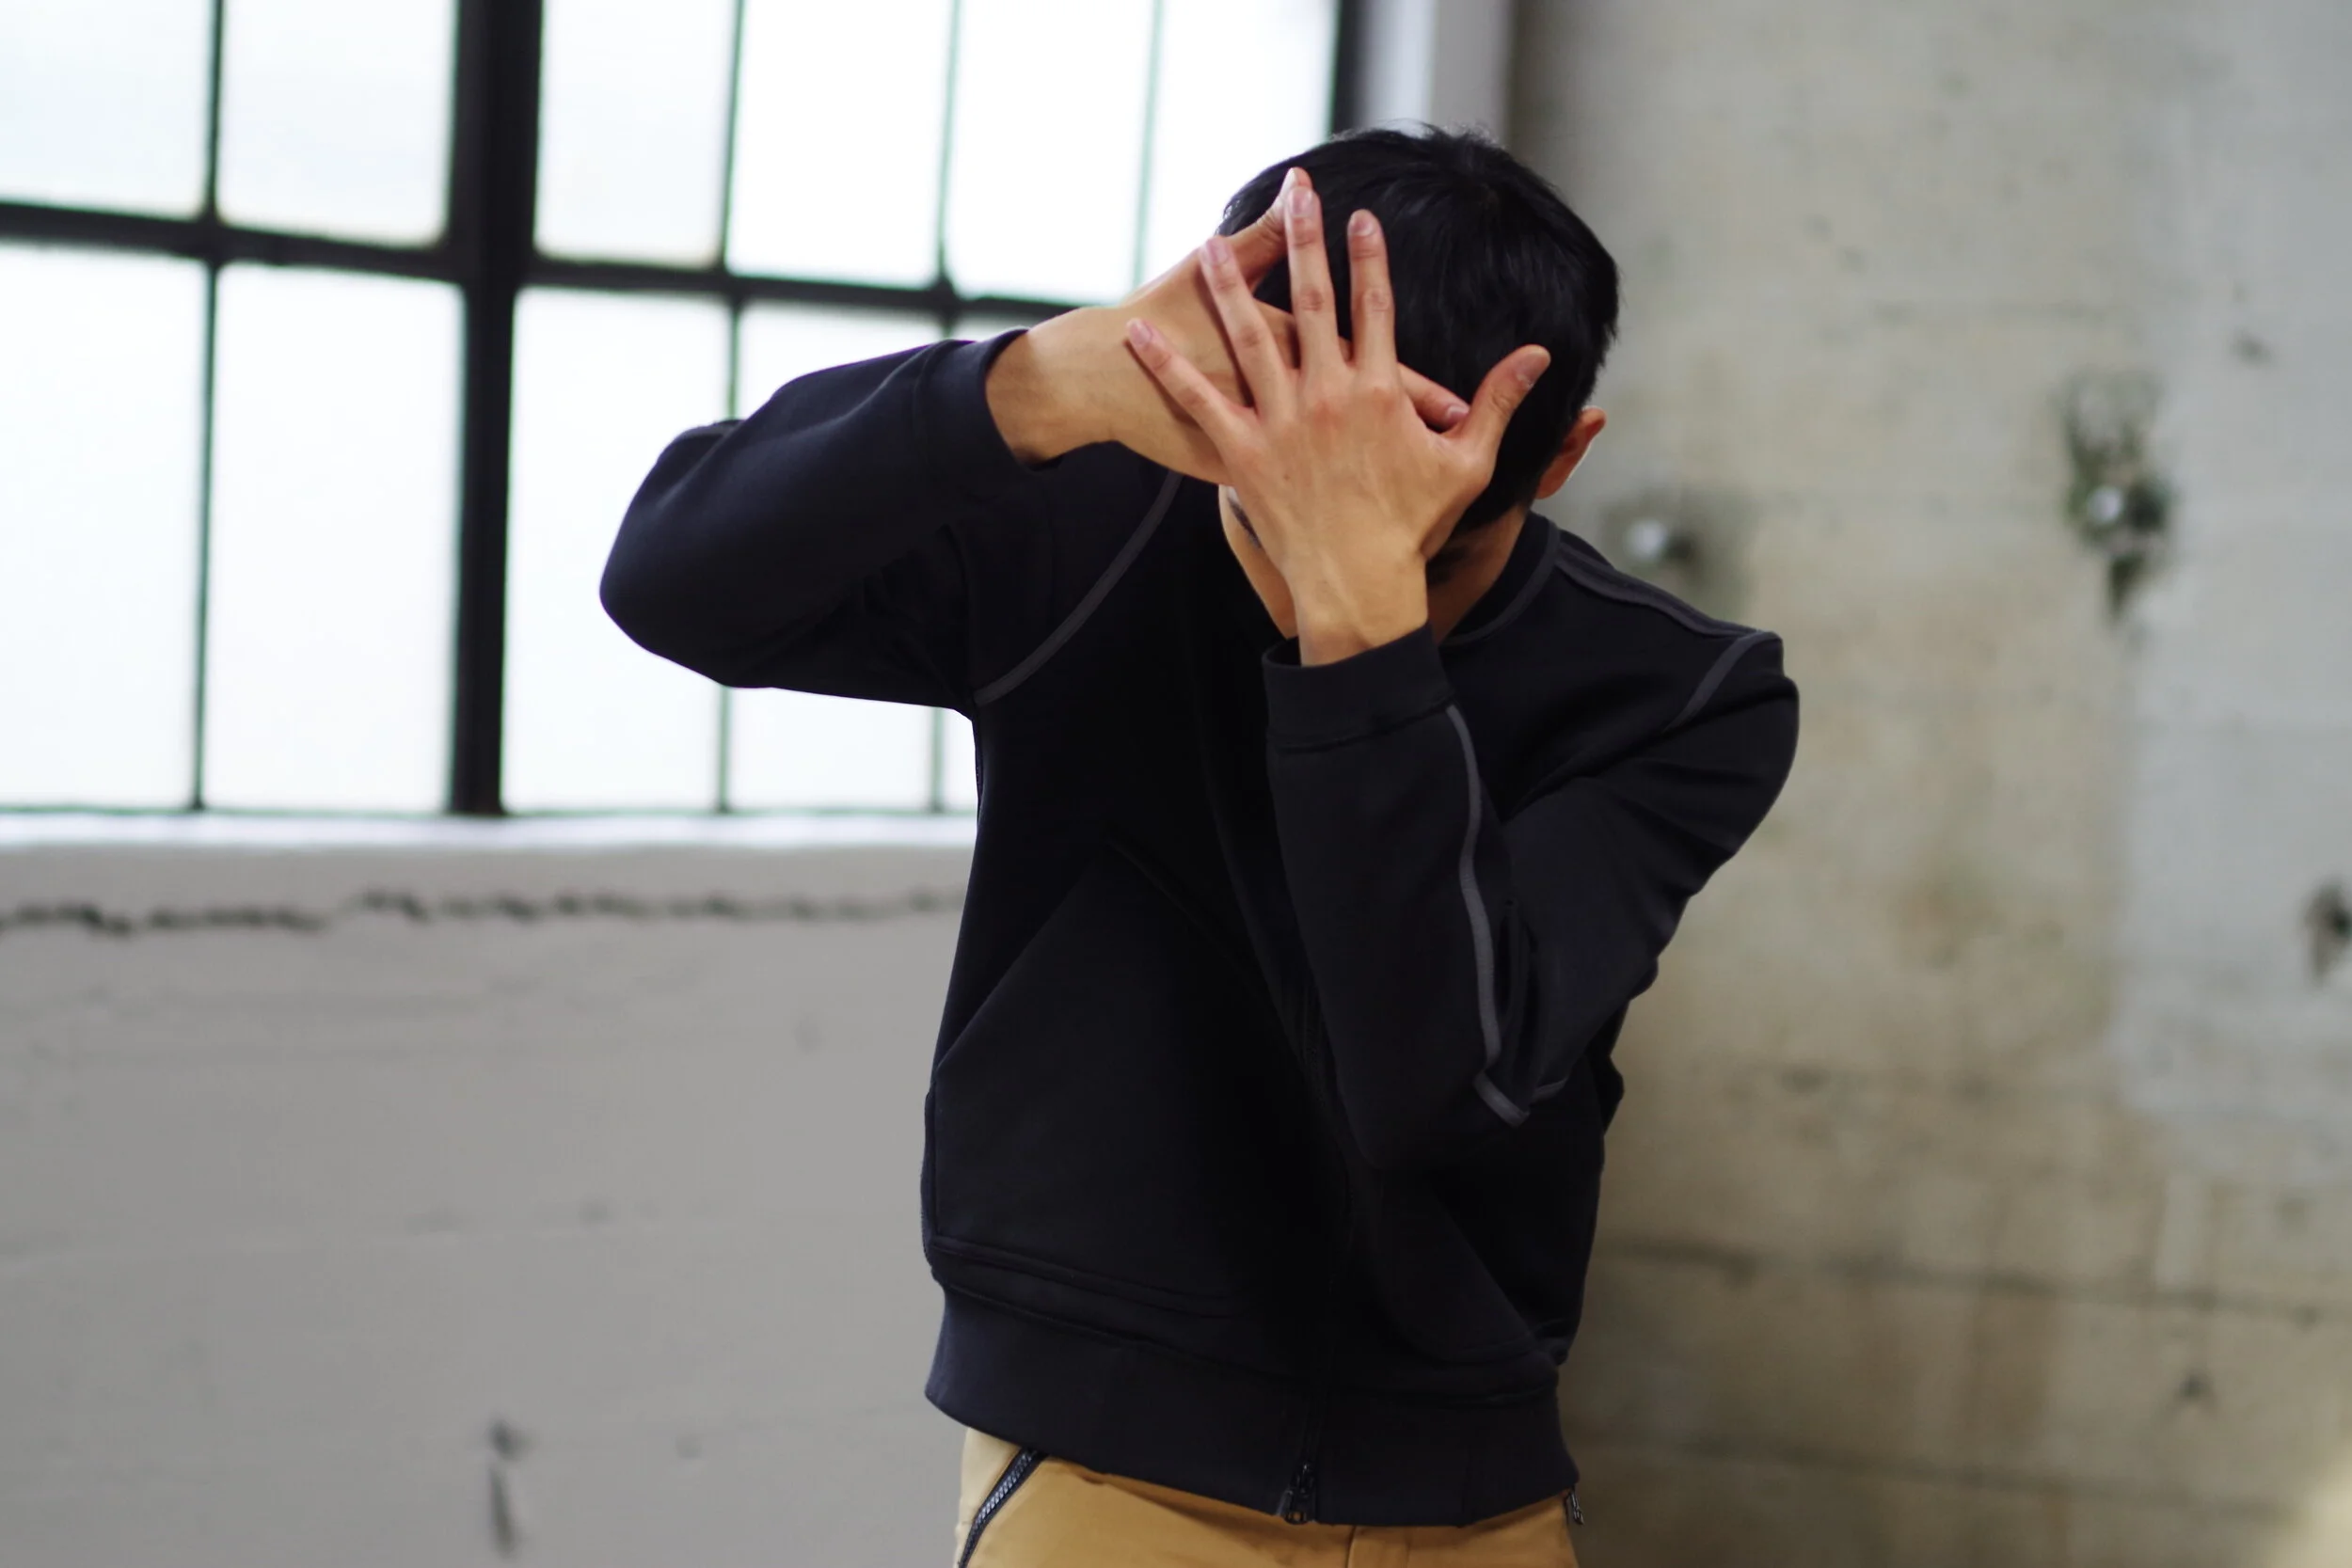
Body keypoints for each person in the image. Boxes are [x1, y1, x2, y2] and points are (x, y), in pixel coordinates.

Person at [601, 127, 1798, 1566]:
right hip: (1110, 1475)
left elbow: (1431, 1080)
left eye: (1427, 546)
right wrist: (1033, 383)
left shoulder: (1680, 696)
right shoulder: (1088, 527)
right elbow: (673, 579)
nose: (1312, 551)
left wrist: (1358, 626)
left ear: (1559, 461)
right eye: (1276, 507)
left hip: (1472, 1496)